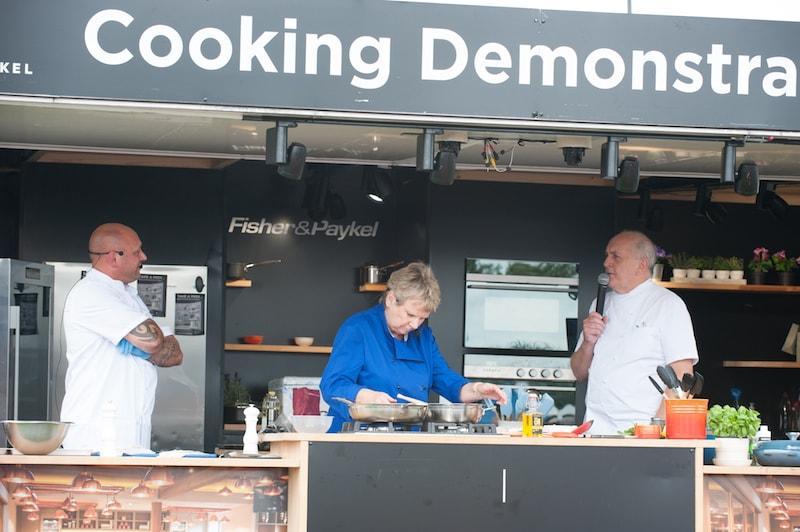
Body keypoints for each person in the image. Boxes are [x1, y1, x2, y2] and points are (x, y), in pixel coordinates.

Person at [321, 262, 507, 432]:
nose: (415, 324)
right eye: (410, 314)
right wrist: (365, 396)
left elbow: (445, 379)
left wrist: (477, 389)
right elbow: (333, 384)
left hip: (409, 438)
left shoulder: (423, 336)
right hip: (355, 439)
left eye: (422, 318)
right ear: (391, 299)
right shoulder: (358, 329)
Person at [60, 223, 183, 450]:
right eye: (137, 252)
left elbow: (175, 354)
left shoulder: (128, 295)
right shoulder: (92, 292)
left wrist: (137, 345)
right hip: (96, 438)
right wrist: (148, 347)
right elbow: (156, 341)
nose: (144, 257)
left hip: (129, 435)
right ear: (114, 257)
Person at [570, 230, 698, 435]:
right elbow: (578, 372)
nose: (606, 263)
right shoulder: (599, 304)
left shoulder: (667, 304)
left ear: (641, 263)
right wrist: (587, 343)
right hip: (595, 429)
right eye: (607, 255)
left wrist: (656, 428)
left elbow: (683, 377)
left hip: (641, 431)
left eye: (616, 256)